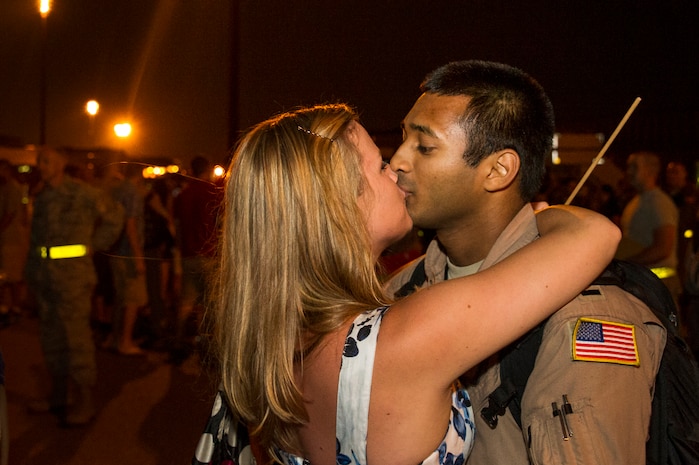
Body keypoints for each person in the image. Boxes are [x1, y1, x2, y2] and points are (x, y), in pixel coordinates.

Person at [194, 103, 620, 464]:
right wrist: (539, 217)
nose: (396, 166)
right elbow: (597, 235)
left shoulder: (271, 340)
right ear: (341, 203)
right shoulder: (407, 336)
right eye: (379, 164)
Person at [386, 61, 666, 464]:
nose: (396, 161)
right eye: (402, 139)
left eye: (424, 147)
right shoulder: (400, 290)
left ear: (498, 170)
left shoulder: (584, 320)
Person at [24, 147, 124, 426]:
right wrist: (30, 275)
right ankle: (59, 395)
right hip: (45, 276)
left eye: (47, 161)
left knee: (75, 338)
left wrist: (95, 245)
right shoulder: (42, 196)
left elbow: (115, 216)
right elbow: (36, 241)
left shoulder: (81, 192)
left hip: (73, 277)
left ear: (61, 164)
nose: (41, 165)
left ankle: (85, 401)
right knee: (51, 336)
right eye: (39, 161)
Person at [171, 156, 221, 364]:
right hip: (209, 254)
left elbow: (177, 225)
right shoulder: (213, 192)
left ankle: (179, 342)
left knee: (186, 301)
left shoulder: (183, 194)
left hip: (188, 254)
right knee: (209, 303)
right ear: (208, 169)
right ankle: (205, 347)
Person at [618, 151, 681, 305]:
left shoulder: (659, 203)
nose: (629, 172)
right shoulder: (635, 202)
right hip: (643, 282)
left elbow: (663, 247)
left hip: (658, 285)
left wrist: (626, 263)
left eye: (634, 167)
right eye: (628, 167)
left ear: (650, 170)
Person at [0, 159, 29, 323]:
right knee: (4, 276)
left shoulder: (13, 188)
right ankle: (5, 306)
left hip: (12, 239)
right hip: (6, 240)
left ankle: (16, 307)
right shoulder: (4, 188)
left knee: (13, 276)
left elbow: (9, 215)